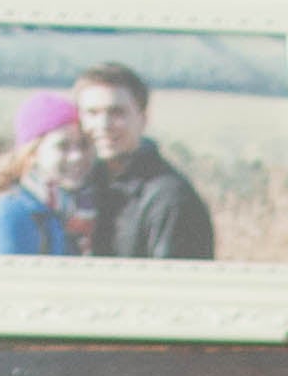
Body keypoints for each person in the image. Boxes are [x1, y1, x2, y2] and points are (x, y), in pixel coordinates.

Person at [73, 62, 215, 261]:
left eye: (117, 113)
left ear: (143, 118)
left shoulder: (170, 200)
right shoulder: (82, 188)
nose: (103, 125)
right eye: (92, 113)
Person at [0, 98, 92, 257]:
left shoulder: (62, 211)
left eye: (82, 145)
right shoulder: (6, 215)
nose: (77, 156)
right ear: (32, 153)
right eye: (62, 146)